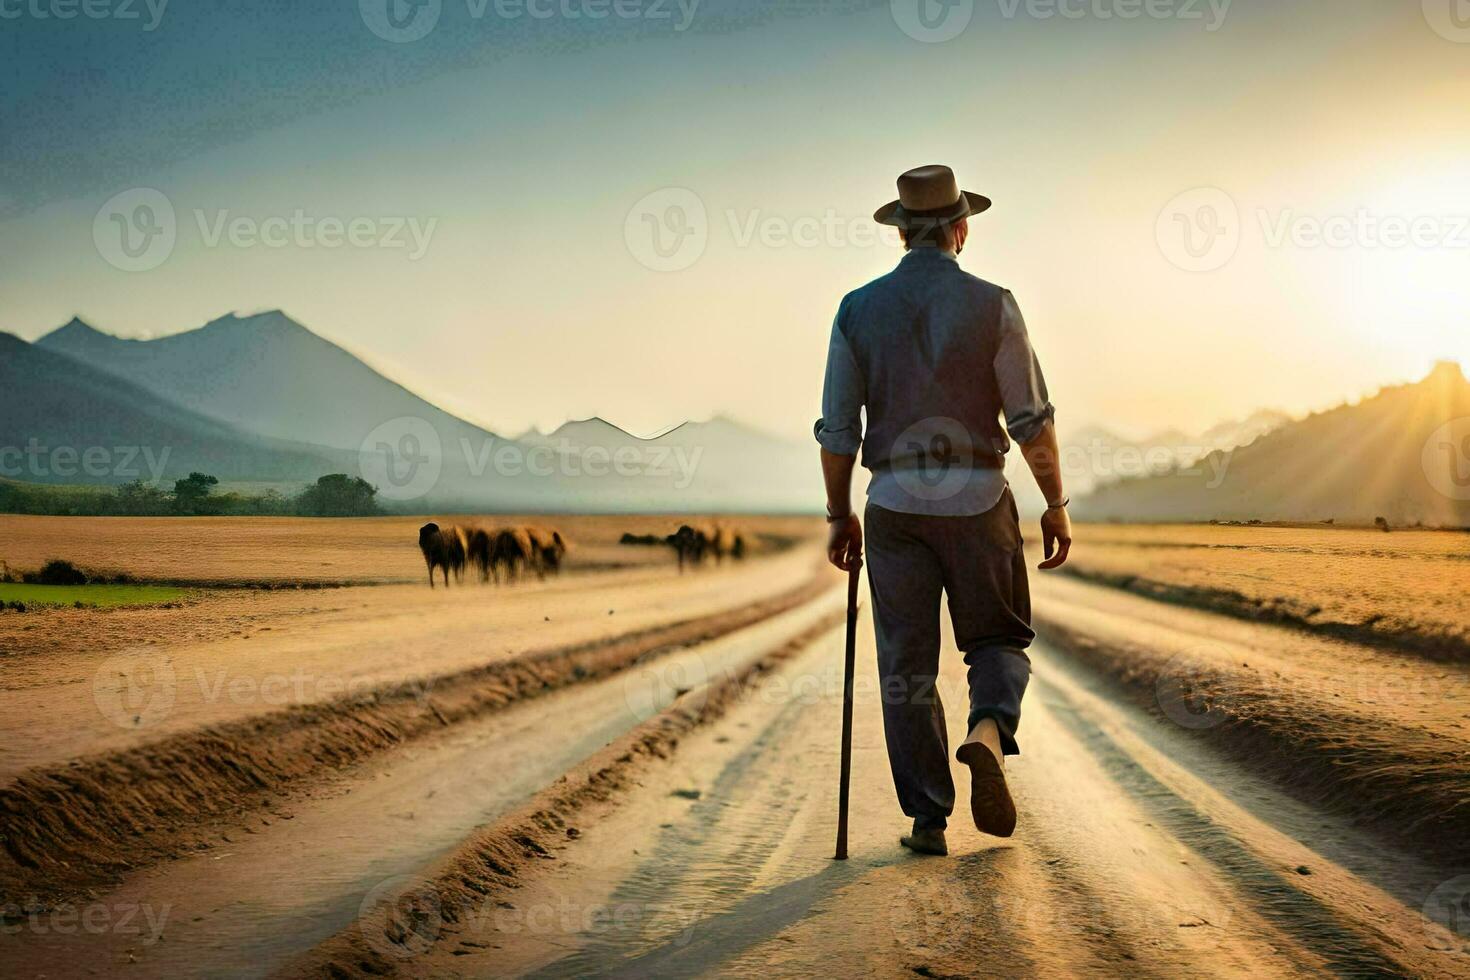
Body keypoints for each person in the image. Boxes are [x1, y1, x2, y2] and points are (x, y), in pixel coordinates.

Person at [815, 164, 1072, 857]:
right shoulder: (995, 304)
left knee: (907, 662)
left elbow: (838, 428)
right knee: (997, 640)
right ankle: (986, 732)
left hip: (894, 501)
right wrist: (1054, 502)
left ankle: (929, 819)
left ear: (901, 234)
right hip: (979, 495)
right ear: (961, 229)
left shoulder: (855, 310)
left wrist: (839, 514)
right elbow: (1029, 418)